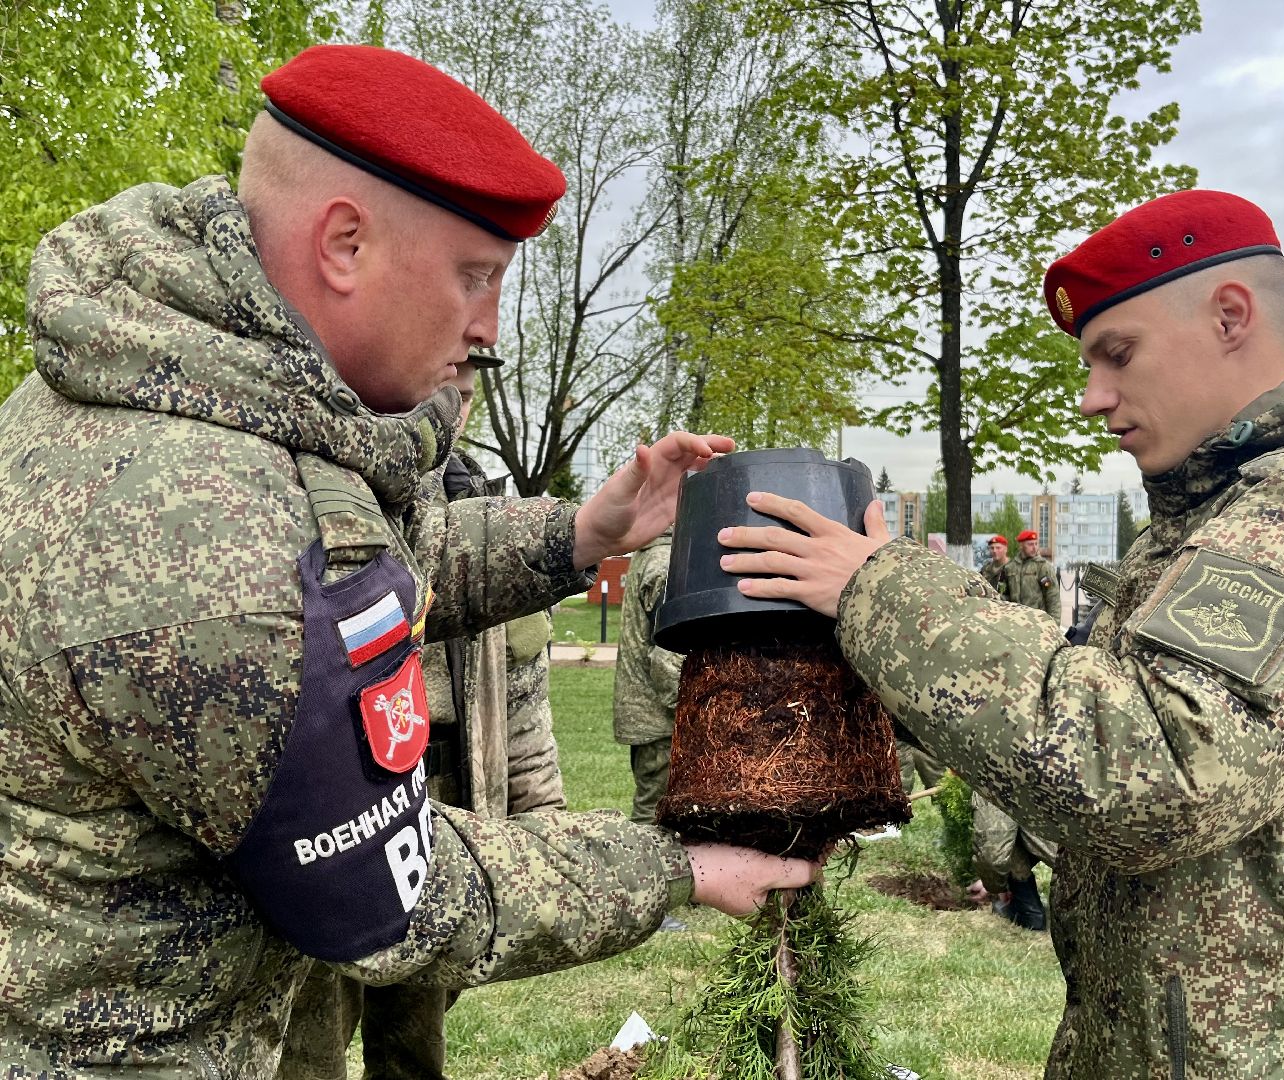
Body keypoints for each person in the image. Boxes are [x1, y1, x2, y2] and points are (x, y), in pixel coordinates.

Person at [0, 44, 817, 1075]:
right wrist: (677, 867)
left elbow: (367, 570)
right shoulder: (205, 545)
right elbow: (396, 890)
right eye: (476, 278)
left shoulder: (184, 380)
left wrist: (580, 535)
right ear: (345, 244)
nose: (487, 330)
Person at [716, 189, 1284, 1076]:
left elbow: (1156, 771)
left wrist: (881, 591)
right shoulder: (1223, 514)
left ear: (1230, 315)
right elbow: (1084, 724)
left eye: (1118, 354)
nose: (1094, 399)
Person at [278, 360, 566, 1079]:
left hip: (444, 797)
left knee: (417, 1027)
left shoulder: (478, 504)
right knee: (315, 1024)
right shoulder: (327, 492)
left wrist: (540, 808)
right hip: (345, 797)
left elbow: (521, 686)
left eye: (465, 395)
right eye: (442, 388)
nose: (452, 409)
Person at [970, 529, 1058, 930]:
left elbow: (1052, 602)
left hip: (1039, 770)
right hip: (1001, 759)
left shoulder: (1041, 570)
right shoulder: (1003, 573)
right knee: (1000, 843)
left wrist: (1050, 633)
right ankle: (1021, 905)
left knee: (1054, 846)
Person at [613, 528, 684, 828]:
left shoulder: (653, 553)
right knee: (655, 817)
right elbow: (667, 657)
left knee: (658, 810)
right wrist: (692, 711)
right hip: (660, 722)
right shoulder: (665, 562)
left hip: (651, 719)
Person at [1006, 529, 1060, 621]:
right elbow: (1004, 595)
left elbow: (1052, 596)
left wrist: (1054, 623)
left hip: (1036, 620)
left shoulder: (1042, 567)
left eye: (1036, 544)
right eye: (1030, 544)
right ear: (1021, 545)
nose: (1034, 547)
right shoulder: (1010, 567)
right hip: (1014, 620)